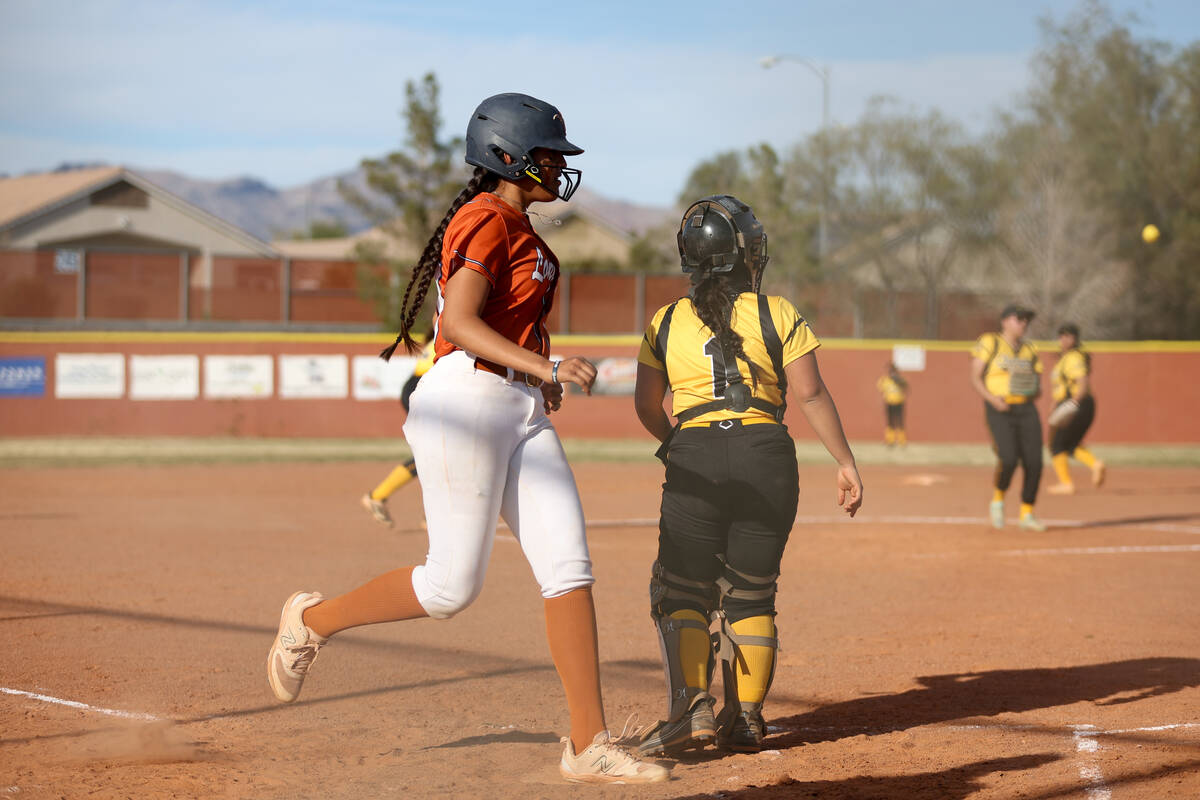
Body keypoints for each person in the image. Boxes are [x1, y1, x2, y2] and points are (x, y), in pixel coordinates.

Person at [267, 92, 667, 785]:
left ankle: (586, 743)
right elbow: (456, 323)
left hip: (517, 406)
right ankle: (313, 621)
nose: (557, 167)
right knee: (451, 589)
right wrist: (544, 364)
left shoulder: (535, 240)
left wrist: (537, 378)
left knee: (568, 566)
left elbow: (510, 328)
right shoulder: (484, 218)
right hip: (464, 402)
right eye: (547, 155)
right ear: (507, 155)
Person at [631, 195, 863, 757]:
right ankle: (749, 718)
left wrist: (679, 447)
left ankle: (692, 711)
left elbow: (646, 404)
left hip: (695, 451)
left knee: (682, 589)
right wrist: (845, 461)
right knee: (753, 592)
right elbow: (809, 393)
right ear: (745, 254)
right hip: (767, 453)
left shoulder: (664, 320)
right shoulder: (777, 311)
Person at [969, 304, 1046, 532]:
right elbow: (975, 378)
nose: (1023, 323)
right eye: (1018, 319)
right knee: (1009, 458)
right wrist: (993, 400)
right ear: (1004, 321)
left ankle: (1027, 513)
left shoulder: (1029, 349)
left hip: (1026, 408)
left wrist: (1034, 388)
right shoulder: (990, 342)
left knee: (1035, 462)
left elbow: (1037, 384)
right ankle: (998, 501)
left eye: (1026, 320)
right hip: (999, 408)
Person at [359, 333, 435, 527]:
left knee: (437, 453)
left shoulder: (445, 327)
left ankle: (430, 514)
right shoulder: (458, 327)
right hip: (424, 388)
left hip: (418, 386)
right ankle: (377, 496)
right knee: (436, 452)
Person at [1046, 323, 1106, 494]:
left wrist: (1071, 406)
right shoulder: (1065, 359)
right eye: (1061, 335)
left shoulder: (1073, 357)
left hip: (1076, 403)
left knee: (1056, 445)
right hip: (1074, 403)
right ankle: (1095, 464)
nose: (1064, 339)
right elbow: (1061, 387)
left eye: (1068, 336)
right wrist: (1054, 406)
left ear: (1075, 339)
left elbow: (1082, 384)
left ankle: (1066, 483)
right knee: (1070, 445)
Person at [876, 362, 909, 446]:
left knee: (900, 421)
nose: (892, 373)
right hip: (889, 402)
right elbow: (880, 387)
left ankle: (902, 440)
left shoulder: (900, 380)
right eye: (890, 371)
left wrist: (898, 380)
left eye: (893, 371)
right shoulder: (885, 380)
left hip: (899, 402)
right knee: (890, 421)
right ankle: (890, 439)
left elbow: (906, 386)